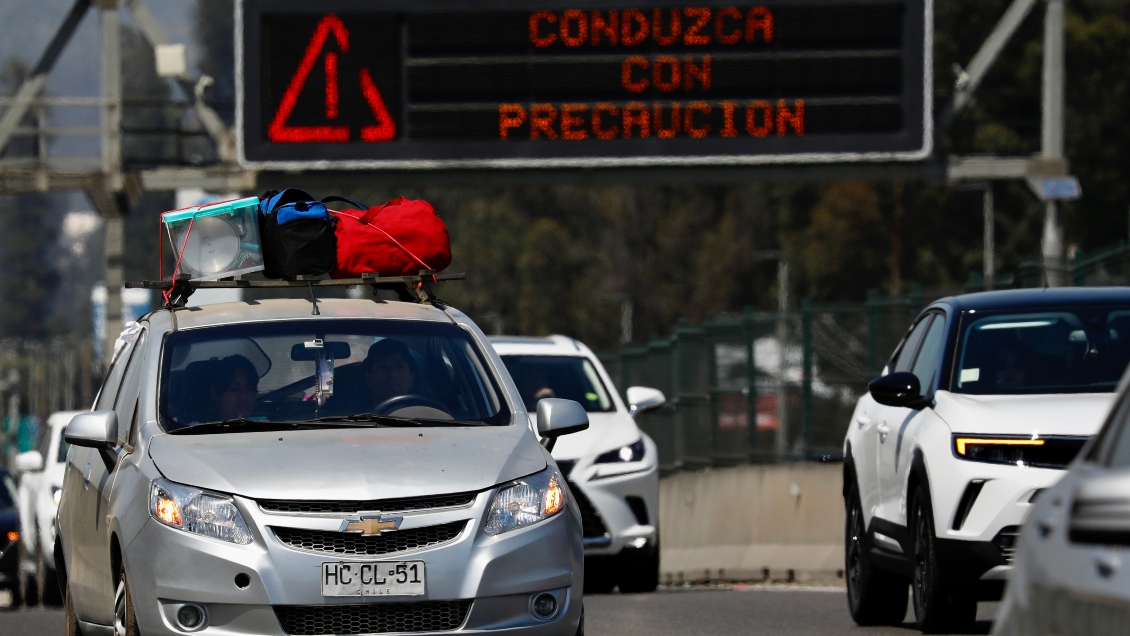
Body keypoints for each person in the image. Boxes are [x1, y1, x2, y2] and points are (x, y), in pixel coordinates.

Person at [363, 339, 419, 410]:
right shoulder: (357, 420)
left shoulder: (427, 416)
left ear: (411, 378)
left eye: (399, 367)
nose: (392, 374)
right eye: (383, 367)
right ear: (368, 379)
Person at [207, 355, 259, 420]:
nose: (243, 395)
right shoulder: (199, 429)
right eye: (234, 389)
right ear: (214, 393)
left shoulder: (268, 427)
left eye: (249, 389)